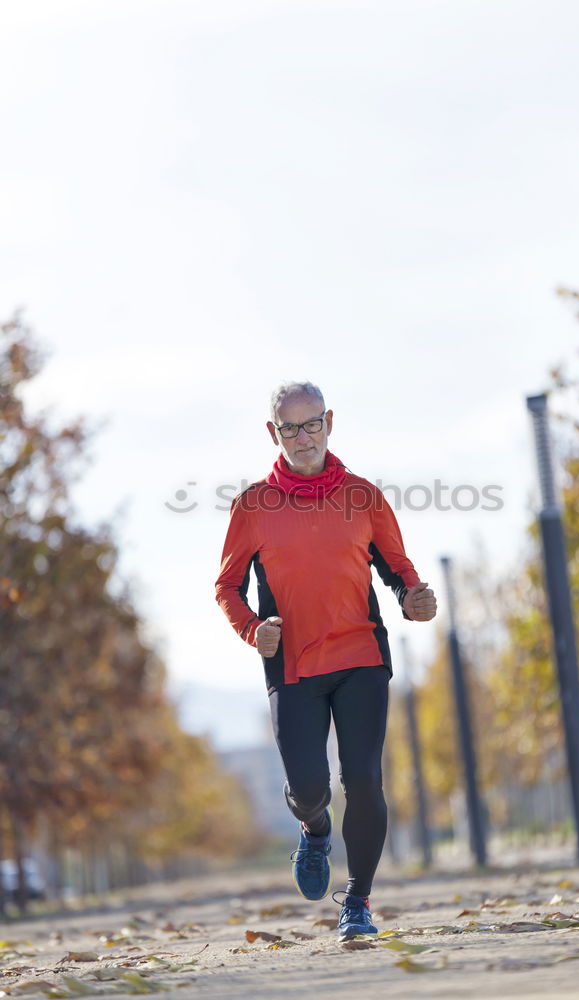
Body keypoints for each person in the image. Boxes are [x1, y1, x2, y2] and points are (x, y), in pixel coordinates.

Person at [214, 381, 437, 938]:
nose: (303, 437)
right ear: (274, 433)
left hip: (361, 653)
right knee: (310, 788)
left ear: (330, 422)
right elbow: (227, 586)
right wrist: (251, 630)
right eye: (289, 427)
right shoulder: (253, 505)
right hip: (292, 666)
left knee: (363, 778)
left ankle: (357, 900)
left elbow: (397, 568)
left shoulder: (363, 496)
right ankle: (315, 831)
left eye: (312, 424)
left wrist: (414, 598)